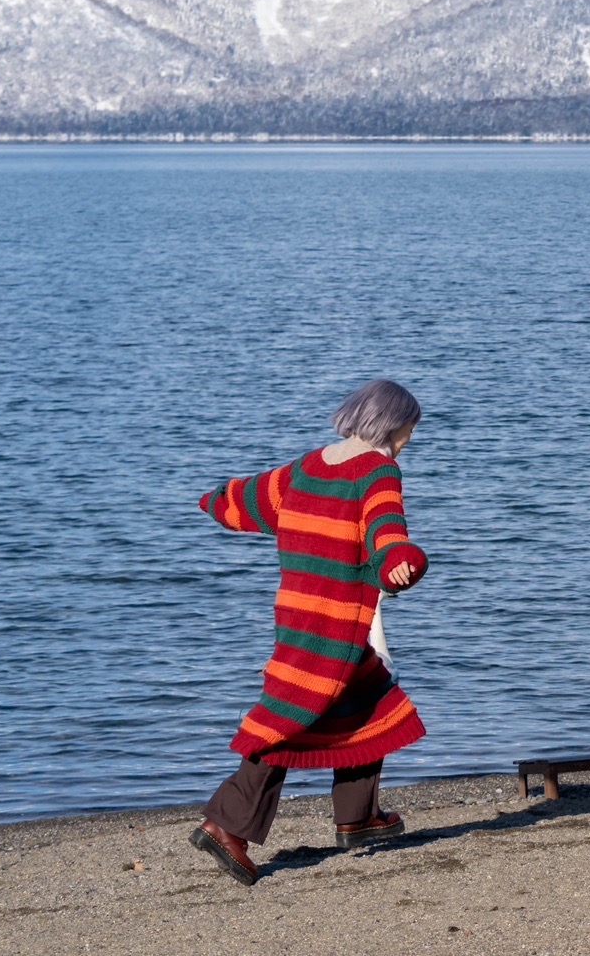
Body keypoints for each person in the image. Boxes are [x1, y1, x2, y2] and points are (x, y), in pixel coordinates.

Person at [188, 379, 431, 885]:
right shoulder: (379, 469)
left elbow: (248, 498)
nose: (411, 436)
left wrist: (215, 500)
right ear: (391, 423)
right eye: (410, 426)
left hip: (296, 613)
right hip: (335, 619)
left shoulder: (308, 466)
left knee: (373, 703)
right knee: (290, 716)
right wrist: (399, 563)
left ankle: (357, 817)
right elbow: (386, 528)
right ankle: (226, 824)